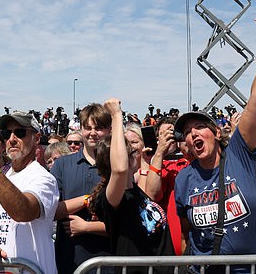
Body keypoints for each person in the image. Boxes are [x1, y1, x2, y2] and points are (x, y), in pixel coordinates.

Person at [175, 0, 256, 274]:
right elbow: (186, 233)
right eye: (187, 133)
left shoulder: (239, 154)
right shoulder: (184, 179)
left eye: (199, 127)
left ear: (216, 132)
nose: (192, 135)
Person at [89, 99, 174, 274]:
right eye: (130, 151)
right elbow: (119, 170)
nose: (134, 153)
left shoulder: (135, 191)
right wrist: (116, 115)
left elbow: (152, 191)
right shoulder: (110, 197)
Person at [0, 110, 59, 274]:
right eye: (7, 134)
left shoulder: (43, 178)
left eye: (20, 133)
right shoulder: (2, 177)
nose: (12, 139)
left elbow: (23, 212)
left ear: (36, 138)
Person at [51, 103, 113, 274]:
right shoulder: (62, 165)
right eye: (88, 127)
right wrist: (88, 200)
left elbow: (123, 223)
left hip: (109, 262)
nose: (93, 133)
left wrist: (85, 226)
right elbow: (51, 211)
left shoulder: (118, 168)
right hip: (69, 259)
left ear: (109, 130)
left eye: (98, 128)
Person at [142, 116, 190, 255]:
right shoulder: (155, 163)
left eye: (172, 133)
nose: (167, 138)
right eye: (162, 135)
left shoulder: (189, 160)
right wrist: (159, 153)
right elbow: (152, 195)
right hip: (166, 248)